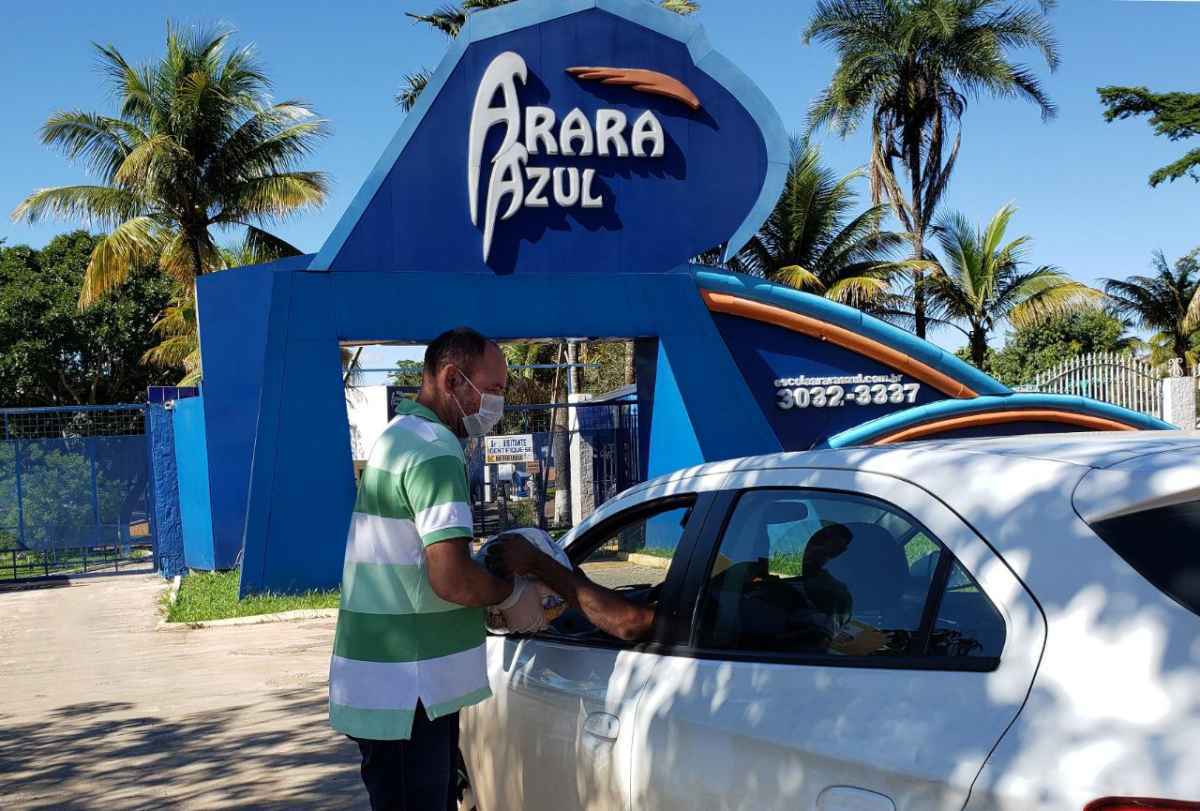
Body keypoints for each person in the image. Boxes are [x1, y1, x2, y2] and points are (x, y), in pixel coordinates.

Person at [328, 327, 544, 811]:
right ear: (452, 379)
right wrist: (508, 595)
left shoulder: (400, 437)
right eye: (493, 390)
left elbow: (415, 562)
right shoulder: (435, 450)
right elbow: (450, 578)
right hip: (410, 692)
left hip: (392, 687)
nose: (499, 404)